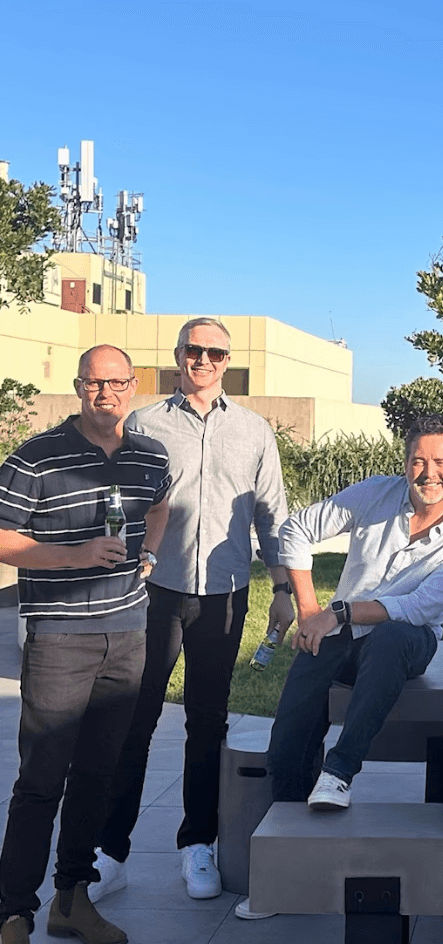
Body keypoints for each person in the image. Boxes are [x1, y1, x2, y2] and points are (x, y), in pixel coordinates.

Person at [90, 317, 294, 906]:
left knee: (208, 720)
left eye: (214, 352)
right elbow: (116, 499)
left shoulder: (254, 431)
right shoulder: (143, 423)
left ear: (228, 361)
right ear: (178, 355)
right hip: (153, 591)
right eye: (192, 350)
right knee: (136, 717)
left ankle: (198, 842)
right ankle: (110, 852)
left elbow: (273, 516)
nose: (202, 360)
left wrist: (284, 588)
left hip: (224, 594)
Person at [0, 345, 170, 944]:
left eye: (118, 383)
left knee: (98, 775)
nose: (107, 393)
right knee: (41, 783)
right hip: (59, 638)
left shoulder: (151, 454)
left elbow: (161, 504)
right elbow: (2, 534)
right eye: (96, 383)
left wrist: (149, 556)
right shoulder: (36, 457)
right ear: (79, 388)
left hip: (127, 635)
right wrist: (72, 556)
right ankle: (12, 919)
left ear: (133, 386)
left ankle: (72, 898)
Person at [267, 414, 443, 811]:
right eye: (419, 461)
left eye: (441, 463)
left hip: (408, 641)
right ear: (405, 464)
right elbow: (296, 529)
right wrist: (309, 610)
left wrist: (337, 613)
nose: (430, 473)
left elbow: (416, 607)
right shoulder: (375, 493)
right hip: (340, 634)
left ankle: (338, 773)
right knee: (286, 749)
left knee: (392, 635)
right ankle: (288, 828)